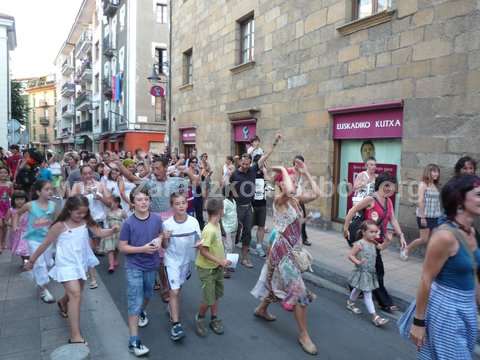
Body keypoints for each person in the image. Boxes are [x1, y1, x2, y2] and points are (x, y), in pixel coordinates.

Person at [25, 195, 118, 344]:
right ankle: (75, 336)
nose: (82, 216)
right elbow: (45, 244)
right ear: (69, 210)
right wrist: (32, 260)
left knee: (76, 292)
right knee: (76, 295)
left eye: (84, 213)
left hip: (80, 261)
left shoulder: (86, 220)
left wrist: (112, 230)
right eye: (78, 213)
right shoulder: (60, 225)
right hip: (66, 263)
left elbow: (99, 232)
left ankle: (63, 303)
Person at [251, 161, 321, 355]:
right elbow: (289, 191)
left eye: (295, 179)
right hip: (283, 254)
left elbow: (316, 194)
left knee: (277, 284)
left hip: (292, 251)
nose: (295, 182)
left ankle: (261, 309)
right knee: (298, 292)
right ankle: (304, 335)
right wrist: (282, 169)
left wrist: (306, 172)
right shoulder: (279, 200)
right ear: (282, 183)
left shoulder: (295, 200)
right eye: (291, 179)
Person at [409, 175, 480, 359]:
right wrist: (418, 322)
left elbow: (472, 273)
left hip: (468, 309)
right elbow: (426, 278)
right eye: (478, 194)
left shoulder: (472, 232)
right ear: (459, 200)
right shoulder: (444, 237)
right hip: (447, 310)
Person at [343, 172, 407, 313]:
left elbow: (393, 219)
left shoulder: (388, 202)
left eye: (392, 185)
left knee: (367, 268)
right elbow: (352, 211)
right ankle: (384, 302)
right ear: (380, 184)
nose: (389, 188)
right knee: (377, 270)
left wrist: (401, 235)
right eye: (387, 185)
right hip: (365, 240)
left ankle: (355, 287)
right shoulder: (371, 199)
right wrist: (346, 228)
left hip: (376, 240)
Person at [119, 187, 164, 357]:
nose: (143, 202)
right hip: (134, 266)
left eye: (146, 199)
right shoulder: (128, 223)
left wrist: (160, 239)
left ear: (150, 201)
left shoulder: (157, 219)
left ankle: (142, 311)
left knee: (147, 295)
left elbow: (161, 234)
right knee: (134, 301)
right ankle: (133, 341)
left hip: (151, 265)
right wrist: (142, 249)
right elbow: (122, 247)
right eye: (139, 199)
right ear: (133, 203)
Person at [230, 136, 278, 268]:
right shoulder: (235, 174)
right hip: (237, 208)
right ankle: (228, 258)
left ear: (250, 163)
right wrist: (235, 203)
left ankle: (245, 258)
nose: (245, 166)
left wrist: (275, 142)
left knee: (247, 234)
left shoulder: (252, 170)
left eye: (247, 164)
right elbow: (231, 191)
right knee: (233, 233)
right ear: (240, 163)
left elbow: (266, 156)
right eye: (243, 164)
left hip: (248, 208)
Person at [162, 193, 201, 341]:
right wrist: (165, 238)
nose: (181, 206)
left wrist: (200, 247)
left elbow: (198, 241)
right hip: (171, 261)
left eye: (183, 203)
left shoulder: (194, 222)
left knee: (179, 288)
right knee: (175, 290)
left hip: (186, 261)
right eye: (177, 203)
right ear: (172, 206)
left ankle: (171, 307)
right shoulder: (167, 224)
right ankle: (176, 325)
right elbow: (165, 247)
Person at [13, 180, 57, 303]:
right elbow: (17, 213)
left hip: (47, 240)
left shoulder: (53, 205)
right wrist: (15, 225)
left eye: (51, 189)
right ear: (38, 192)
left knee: (48, 262)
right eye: (47, 189)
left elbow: (56, 220)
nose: (50, 191)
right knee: (40, 263)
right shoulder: (30, 205)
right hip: (33, 240)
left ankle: (39, 271)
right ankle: (44, 290)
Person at [194, 198, 231, 337]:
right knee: (208, 298)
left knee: (215, 294)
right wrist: (220, 261)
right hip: (207, 269)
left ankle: (214, 318)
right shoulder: (209, 229)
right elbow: (203, 251)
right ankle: (200, 318)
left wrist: (223, 260)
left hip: (217, 267)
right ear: (221, 211)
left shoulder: (217, 225)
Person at [71, 165, 112, 289]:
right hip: (83, 221)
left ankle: (86, 267)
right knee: (87, 248)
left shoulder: (100, 185)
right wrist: (83, 194)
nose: (88, 176)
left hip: (97, 220)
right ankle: (92, 277)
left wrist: (100, 197)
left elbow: (110, 203)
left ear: (93, 173)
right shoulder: (77, 186)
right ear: (81, 175)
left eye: (90, 173)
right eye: (85, 174)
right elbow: (71, 202)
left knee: (93, 247)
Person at [346, 220, 389, 327]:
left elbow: (381, 247)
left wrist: (388, 240)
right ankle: (375, 317)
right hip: (362, 271)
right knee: (367, 293)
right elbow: (350, 255)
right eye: (371, 232)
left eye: (376, 232)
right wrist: (358, 262)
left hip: (370, 272)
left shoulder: (373, 242)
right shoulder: (360, 244)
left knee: (358, 288)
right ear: (364, 232)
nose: (374, 234)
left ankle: (350, 303)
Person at [401, 164, 442, 261]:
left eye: (437, 171)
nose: (436, 173)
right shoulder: (423, 184)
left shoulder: (435, 185)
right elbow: (420, 201)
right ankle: (406, 249)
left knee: (434, 238)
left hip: (435, 216)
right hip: (425, 216)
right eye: (434, 171)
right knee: (424, 239)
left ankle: (431, 258)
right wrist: (423, 217)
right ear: (428, 172)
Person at [100, 196, 127, 273]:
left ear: (117, 203)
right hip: (110, 231)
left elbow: (126, 220)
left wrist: (125, 230)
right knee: (110, 248)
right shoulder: (107, 212)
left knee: (116, 248)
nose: (110, 204)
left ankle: (115, 259)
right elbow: (105, 221)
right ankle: (111, 265)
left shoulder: (121, 211)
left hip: (119, 231)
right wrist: (105, 230)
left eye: (111, 203)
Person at [8, 190, 29, 264]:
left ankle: (27, 261)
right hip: (16, 233)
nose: (20, 201)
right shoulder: (11, 210)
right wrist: (11, 224)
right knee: (20, 250)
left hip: (26, 232)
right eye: (17, 199)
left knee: (25, 249)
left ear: (25, 200)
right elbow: (6, 221)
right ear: (13, 200)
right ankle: (25, 261)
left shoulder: (28, 210)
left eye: (22, 199)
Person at [222, 186, 237, 278]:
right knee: (228, 248)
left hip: (233, 228)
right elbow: (221, 216)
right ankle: (224, 268)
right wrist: (222, 229)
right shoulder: (225, 203)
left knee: (232, 248)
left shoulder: (234, 201)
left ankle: (230, 264)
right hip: (227, 229)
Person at [0, 166, 13, 252]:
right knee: (0, 225)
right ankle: (0, 245)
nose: (3, 174)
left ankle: (3, 241)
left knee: (5, 226)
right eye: (1, 173)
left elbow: (12, 195)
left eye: (5, 172)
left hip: (7, 207)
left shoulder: (10, 184)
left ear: (8, 174)